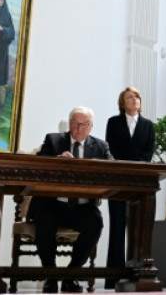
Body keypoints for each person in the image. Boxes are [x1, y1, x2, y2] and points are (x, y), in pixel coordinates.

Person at [29, 107, 113, 293]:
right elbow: (39, 165)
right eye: (75, 124)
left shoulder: (101, 146)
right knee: (45, 221)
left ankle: (71, 275)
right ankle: (50, 276)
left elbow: (112, 170)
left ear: (91, 126)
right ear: (70, 124)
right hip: (53, 204)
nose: (79, 128)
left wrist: (99, 168)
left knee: (95, 223)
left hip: (83, 207)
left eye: (84, 124)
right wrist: (57, 159)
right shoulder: (54, 140)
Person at [103, 87, 155, 289]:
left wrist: (135, 167)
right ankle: (113, 277)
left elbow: (148, 152)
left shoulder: (149, 125)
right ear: (122, 103)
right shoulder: (113, 122)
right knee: (117, 228)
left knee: (139, 228)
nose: (135, 99)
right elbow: (111, 149)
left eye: (137, 97)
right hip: (117, 180)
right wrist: (125, 166)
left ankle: (138, 275)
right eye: (130, 97)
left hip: (139, 182)